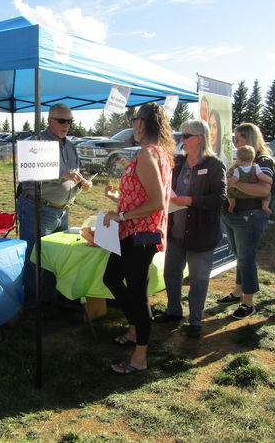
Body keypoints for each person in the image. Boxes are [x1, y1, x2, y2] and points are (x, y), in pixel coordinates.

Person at [102, 102, 174, 373]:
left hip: (140, 234)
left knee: (137, 293)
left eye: (134, 120)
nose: (133, 125)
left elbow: (156, 202)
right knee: (111, 278)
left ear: (141, 123)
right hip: (133, 231)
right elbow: (144, 196)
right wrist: (118, 201)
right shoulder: (160, 153)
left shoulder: (148, 153)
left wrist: (121, 216)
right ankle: (134, 330)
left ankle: (139, 357)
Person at [154, 119, 226, 338]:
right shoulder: (178, 161)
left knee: (198, 279)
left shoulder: (214, 165)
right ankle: (173, 310)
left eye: (185, 136)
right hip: (176, 231)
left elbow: (219, 198)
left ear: (199, 139)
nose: (181, 140)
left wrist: (190, 200)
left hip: (201, 234)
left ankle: (195, 319)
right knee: (172, 273)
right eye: (181, 136)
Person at [16, 103, 92, 307]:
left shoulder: (70, 146)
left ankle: (49, 299)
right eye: (61, 120)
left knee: (55, 256)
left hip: (62, 211)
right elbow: (27, 172)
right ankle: (32, 305)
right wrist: (60, 175)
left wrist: (82, 183)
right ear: (49, 121)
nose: (66, 125)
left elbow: (74, 172)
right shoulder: (36, 143)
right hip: (38, 208)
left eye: (69, 121)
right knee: (35, 257)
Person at [218, 123, 274, 319]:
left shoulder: (262, 161)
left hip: (249, 216)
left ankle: (248, 303)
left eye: (237, 139)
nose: (234, 143)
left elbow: (265, 190)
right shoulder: (243, 159)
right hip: (235, 215)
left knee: (246, 259)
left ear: (249, 139)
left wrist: (236, 183)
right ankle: (237, 293)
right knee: (240, 257)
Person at [227, 145, 272, 215]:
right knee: (267, 194)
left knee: (230, 192)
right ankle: (265, 206)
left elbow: (233, 181)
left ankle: (232, 204)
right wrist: (270, 181)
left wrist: (227, 186)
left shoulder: (237, 170)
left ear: (239, 159)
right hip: (255, 194)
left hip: (240, 194)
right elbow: (262, 177)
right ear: (253, 158)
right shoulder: (256, 168)